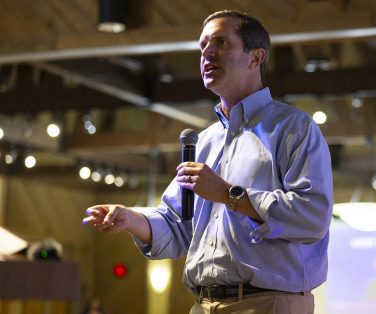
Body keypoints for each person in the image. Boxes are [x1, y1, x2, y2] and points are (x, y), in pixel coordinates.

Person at [82, 9, 333, 314]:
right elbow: (178, 226)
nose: (207, 53)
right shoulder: (204, 141)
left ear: (256, 58)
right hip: (203, 304)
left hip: (267, 303)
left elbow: (313, 215)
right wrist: (132, 220)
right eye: (203, 46)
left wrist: (230, 195)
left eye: (221, 43)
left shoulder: (294, 128)